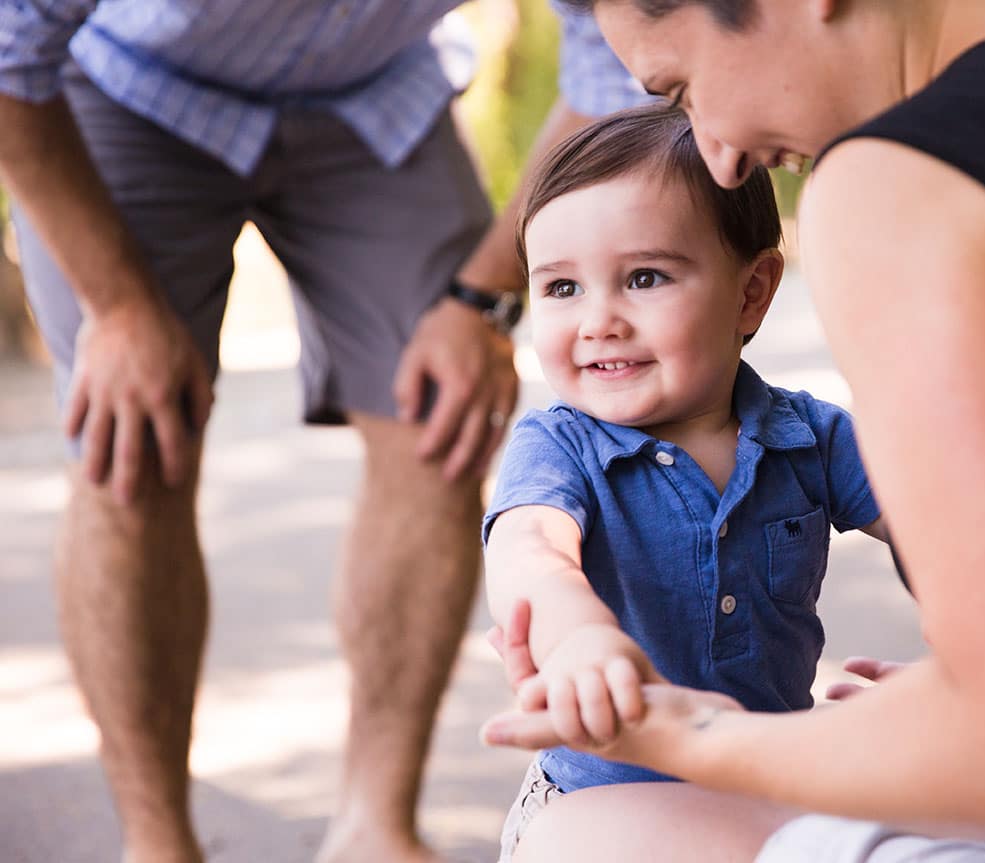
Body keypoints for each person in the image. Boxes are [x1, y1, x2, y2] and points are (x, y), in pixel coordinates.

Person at [480, 1, 985, 862]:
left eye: (684, 87)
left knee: (573, 842)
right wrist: (974, 693)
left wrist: (696, 736)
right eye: (560, 288)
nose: (720, 153)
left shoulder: (907, 180)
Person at [0, 2, 649, 861]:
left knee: (442, 417)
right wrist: (116, 307)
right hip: (129, 87)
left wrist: (481, 299)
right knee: (134, 445)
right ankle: (157, 842)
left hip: (370, 96)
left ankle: (374, 829)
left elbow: (609, 62)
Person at [481, 102, 985, 863]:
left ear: (751, 292)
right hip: (605, 802)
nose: (598, 320)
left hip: (772, 778)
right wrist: (575, 639)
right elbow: (529, 552)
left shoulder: (811, 436)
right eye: (561, 288)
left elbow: (959, 535)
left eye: (642, 277)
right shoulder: (559, 444)